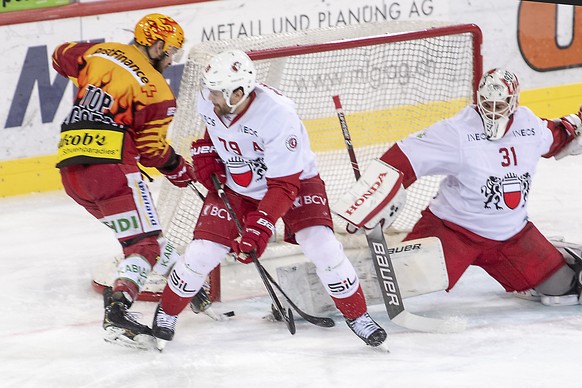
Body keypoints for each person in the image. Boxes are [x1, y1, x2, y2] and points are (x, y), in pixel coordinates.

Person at [151, 49, 387, 349]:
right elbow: (214, 129)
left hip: (295, 183)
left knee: (322, 245)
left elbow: (283, 185)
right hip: (239, 186)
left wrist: (259, 228)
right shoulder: (210, 99)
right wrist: (208, 150)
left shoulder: (278, 114)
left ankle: (358, 315)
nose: (209, 98)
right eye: (208, 90)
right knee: (201, 253)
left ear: (238, 93)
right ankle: (167, 313)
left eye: (217, 93)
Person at [336, 68, 582, 309]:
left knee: (564, 289)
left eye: (500, 105)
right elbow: (405, 156)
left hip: (513, 236)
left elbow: (559, 137)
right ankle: (336, 280)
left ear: (514, 102)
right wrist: (366, 203)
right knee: (400, 283)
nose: (493, 112)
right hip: (453, 233)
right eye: (487, 104)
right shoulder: (456, 131)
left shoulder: (530, 126)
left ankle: (554, 253)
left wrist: (577, 125)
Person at [52, 13, 196, 348]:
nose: (172, 58)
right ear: (155, 44)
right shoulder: (157, 91)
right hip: (112, 169)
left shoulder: (99, 54)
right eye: (170, 49)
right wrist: (178, 168)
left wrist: (98, 60)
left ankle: (193, 290)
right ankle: (118, 307)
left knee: (143, 238)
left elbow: (60, 54)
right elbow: (150, 151)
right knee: (143, 245)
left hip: (72, 172)